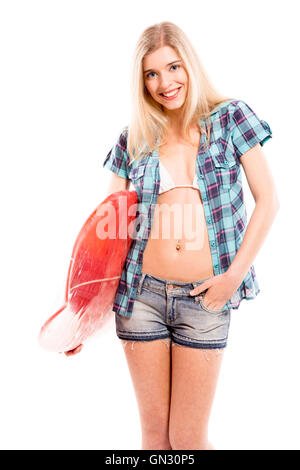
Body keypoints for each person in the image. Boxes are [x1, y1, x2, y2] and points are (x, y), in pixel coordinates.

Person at [64, 22, 279, 450]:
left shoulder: (231, 118)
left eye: (173, 67)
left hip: (207, 298)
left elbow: (268, 200)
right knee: (154, 438)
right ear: (142, 82)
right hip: (140, 299)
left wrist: (232, 278)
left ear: (189, 65)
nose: (165, 83)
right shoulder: (134, 138)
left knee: (188, 438)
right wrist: (82, 319)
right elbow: (107, 236)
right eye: (151, 74)